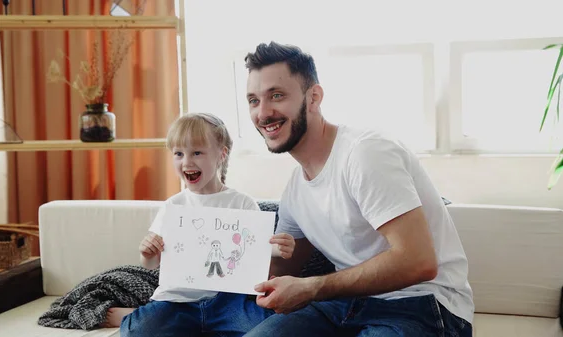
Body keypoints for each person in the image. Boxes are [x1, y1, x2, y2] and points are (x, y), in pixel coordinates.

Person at [242, 42, 474, 336]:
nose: (263, 113)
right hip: (344, 306)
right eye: (253, 100)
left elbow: (419, 262)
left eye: (277, 95)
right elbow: (280, 272)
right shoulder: (294, 192)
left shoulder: (365, 153)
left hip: (422, 304)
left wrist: (312, 287)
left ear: (313, 98)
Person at [102, 112, 296, 336]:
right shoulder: (173, 205)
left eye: (197, 152)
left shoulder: (241, 202)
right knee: (138, 330)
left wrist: (280, 249)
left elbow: (256, 254)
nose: (187, 161)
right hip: (177, 302)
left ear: (221, 154)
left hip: (228, 302)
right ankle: (134, 315)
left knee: (272, 327)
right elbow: (150, 263)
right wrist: (147, 252)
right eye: (178, 154)